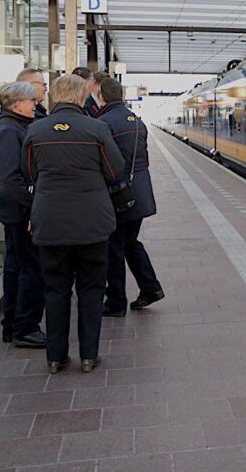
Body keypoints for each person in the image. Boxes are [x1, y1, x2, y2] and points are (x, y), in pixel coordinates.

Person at [22, 74, 125, 374]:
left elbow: (29, 173)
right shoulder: (97, 128)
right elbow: (114, 170)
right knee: (92, 289)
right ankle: (89, 357)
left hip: (50, 221)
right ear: (83, 98)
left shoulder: (35, 130)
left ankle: (55, 357)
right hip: (92, 222)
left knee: (55, 290)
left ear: (54, 97)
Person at [95, 77, 165, 316]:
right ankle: (150, 287)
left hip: (118, 194)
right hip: (140, 190)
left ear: (101, 96)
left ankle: (116, 302)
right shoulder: (136, 121)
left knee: (114, 246)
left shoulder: (103, 122)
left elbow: (108, 164)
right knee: (130, 242)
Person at [0, 82, 46, 348]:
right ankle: (25, 327)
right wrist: (33, 205)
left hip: (14, 208)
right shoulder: (10, 131)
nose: (35, 103)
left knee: (17, 267)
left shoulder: (11, 126)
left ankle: (12, 324)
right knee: (30, 269)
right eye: (31, 100)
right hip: (19, 209)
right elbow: (12, 177)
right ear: (16, 103)